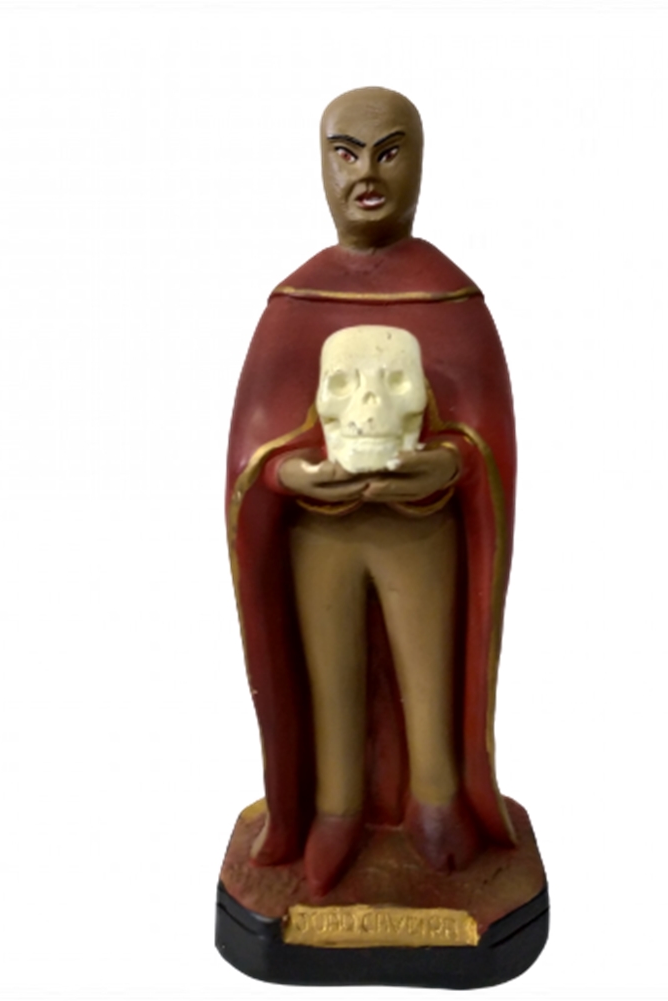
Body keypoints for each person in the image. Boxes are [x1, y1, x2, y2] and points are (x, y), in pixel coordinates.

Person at [226, 87, 518, 896]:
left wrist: (452, 462)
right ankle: (335, 811)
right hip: (317, 534)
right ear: (321, 167)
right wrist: (287, 472)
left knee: (430, 673)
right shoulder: (294, 303)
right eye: (346, 154)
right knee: (331, 678)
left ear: (419, 163)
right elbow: (254, 442)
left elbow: (486, 432)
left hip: (421, 532)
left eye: (389, 153)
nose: (367, 174)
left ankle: (436, 802)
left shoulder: (453, 299)